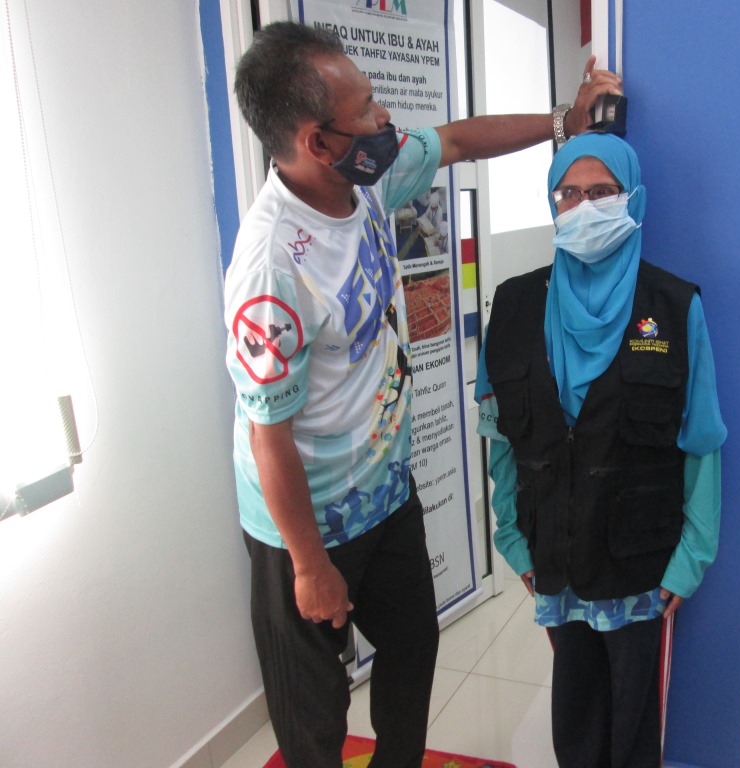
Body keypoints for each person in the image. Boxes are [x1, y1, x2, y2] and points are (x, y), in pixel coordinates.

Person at [223, 21, 622, 768]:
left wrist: (563, 123)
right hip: (305, 522)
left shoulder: (364, 177)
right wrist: (309, 567)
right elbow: (266, 433)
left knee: (412, 649)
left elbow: (459, 141)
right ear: (317, 142)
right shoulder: (272, 268)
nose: (385, 119)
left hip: (384, 493)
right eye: (366, 110)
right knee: (314, 713)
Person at [475, 132, 727, 768]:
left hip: (642, 564)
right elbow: (500, 438)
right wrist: (513, 539)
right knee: (576, 714)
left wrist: (691, 560)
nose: (583, 208)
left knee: (634, 728)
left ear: (632, 198)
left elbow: (702, 442)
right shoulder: (515, 303)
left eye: (602, 192)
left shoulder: (674, 306)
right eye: (568, 194)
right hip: (553, 557)